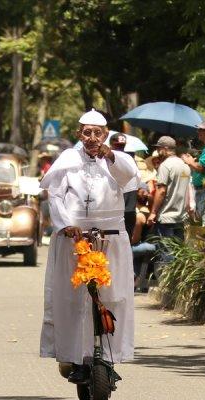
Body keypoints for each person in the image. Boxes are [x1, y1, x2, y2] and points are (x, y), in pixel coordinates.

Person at [39, 109, 137, 383]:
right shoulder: (68, 159)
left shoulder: (118, 159)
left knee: (111, 296)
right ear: (78, 134)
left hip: (110, 238)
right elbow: (55, 196)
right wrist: (65, 225)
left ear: (105, 134)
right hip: (74, 239)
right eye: (87, 132)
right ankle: (75, 357)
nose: (92, 138)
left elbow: (128, 177)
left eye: (97, 133)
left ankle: (108, 356)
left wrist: (110, 155)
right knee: (73, 299)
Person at [147, 136, 190, 242]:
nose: (157, 152)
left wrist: (153, 213)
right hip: (180, 217)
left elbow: (161, 191)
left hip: (166, 218)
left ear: (165, 149)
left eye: (159, 148)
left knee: (165, 250)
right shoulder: (184, 165)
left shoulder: (165, 166)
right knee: (178, 250)